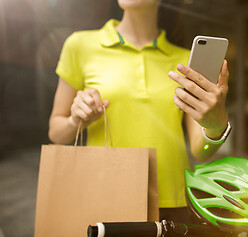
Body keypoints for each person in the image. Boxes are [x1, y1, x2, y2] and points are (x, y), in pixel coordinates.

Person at [48, 0, 230, 222]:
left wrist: (216, 125)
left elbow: (200, 150)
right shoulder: (79, 45)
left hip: (173, 204)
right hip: (105, 197)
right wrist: (76, 120)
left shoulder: (185, 62)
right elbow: (56, 133)